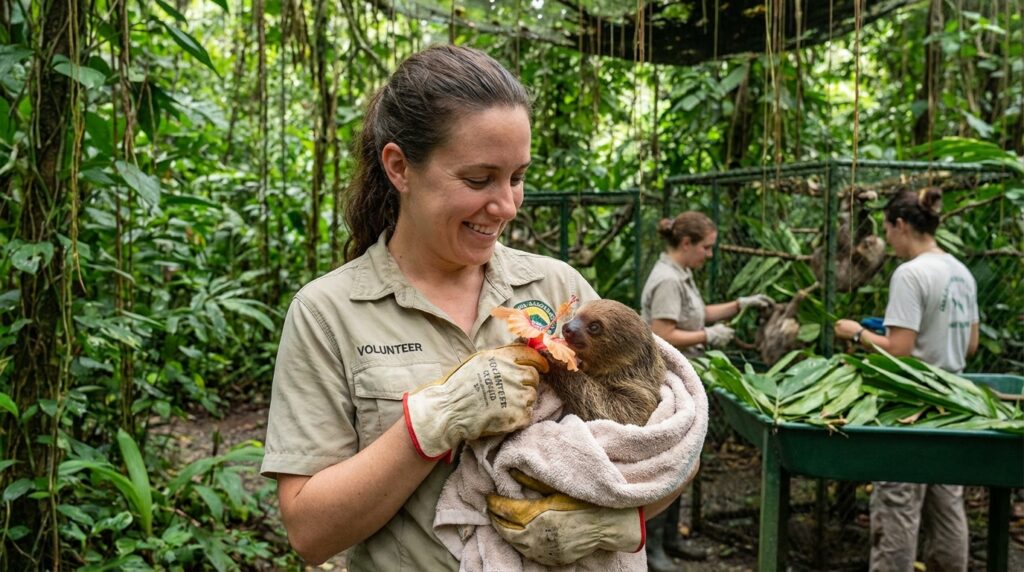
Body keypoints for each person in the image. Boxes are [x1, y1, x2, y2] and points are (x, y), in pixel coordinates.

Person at [261, 44, 686, 570]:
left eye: (517, 178)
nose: (505, 205)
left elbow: (666, 449)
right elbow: (309, 533)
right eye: (479, 179)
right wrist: (431, 425)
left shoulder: (559, 289)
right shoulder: (329, 313)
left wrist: (623, 523)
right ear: (399, 167)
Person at [834, 187, 979, 572]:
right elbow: (970, 345)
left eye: (888, 230)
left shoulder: (911, 273)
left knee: (898, 503)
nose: (888, 242)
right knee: (947, 503)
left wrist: (855, 333)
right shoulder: (960, 271)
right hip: (955, 404)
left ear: (901, 225)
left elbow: (898, 348)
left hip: (912, 405)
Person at [639, 211, 773, 571]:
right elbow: (662, 332)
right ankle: (651, 549)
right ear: (686, 244)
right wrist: (708, 337)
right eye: (707, 248)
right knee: (668, 463)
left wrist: (739, 305)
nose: (710, 255)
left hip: (686, 380)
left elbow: (696, 314)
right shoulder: (667, 279)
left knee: (683, 462)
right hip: (666, 384)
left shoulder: (682, 274)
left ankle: (670, 540)